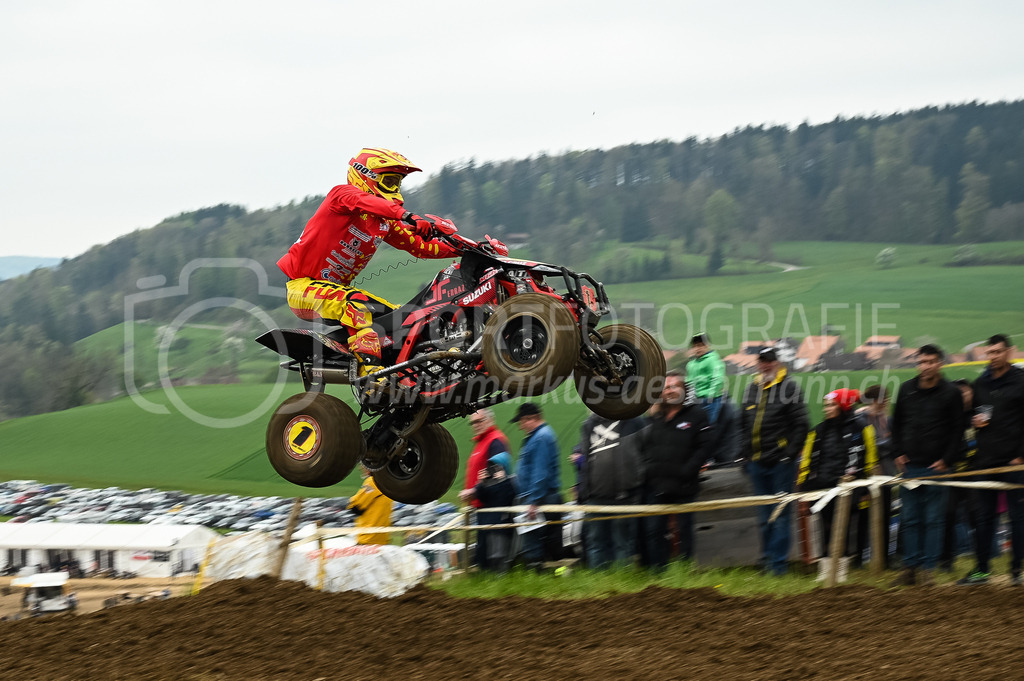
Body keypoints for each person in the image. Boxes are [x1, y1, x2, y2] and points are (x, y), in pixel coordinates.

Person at [276, 148, 460, 379]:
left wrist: (469, 249)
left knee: (404, 319)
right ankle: (372, 375)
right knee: (357, 304)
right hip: (302, 287)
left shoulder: (384, 222)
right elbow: (364, 201)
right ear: (366, 175)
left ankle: (414, 373)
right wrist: (407, 215)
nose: (395, 189)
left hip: (337, 291)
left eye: (397, 183)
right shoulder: (341, 195)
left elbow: (421, 247)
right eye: (390, 181)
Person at [890, 344, 964, 586]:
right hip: (910, 467)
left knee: (933, 520)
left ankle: (928, 571)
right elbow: (897, 423)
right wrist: (898, 452)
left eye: (931, 361)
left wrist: (947, 460)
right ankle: (910, 568)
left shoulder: (951, 393)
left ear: (940, 363)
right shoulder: (906, 390)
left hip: (937, 468)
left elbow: (957, 430)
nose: (925, 366)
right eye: (922, 362)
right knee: (910, 518)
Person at [959, 334, 1024, 586]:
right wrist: (973, 420)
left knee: (1018, 517)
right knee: (983, 517)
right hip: (985, 461)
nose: (993, 356)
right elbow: (970, 416)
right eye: (990, 352)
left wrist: (1021, 455)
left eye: (998, 351)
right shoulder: (980, 384)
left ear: (1009, 352)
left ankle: (1017, 570)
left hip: (1014, 461)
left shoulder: (1021, 382)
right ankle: (981, 569)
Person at [740, 347, 809, 575]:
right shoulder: (752, 388)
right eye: (761, 361)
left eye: (769, 361)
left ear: (777, 363)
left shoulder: (789, 387)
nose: (765, 365)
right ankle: (767, 560)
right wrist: (745, 453)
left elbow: (802, 423)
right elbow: (742, 423)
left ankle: (778, 566)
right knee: (763, 517)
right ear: (757, 363)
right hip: (757, 463)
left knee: (780, 516)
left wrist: (789, 453)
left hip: (781, 464)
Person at [797, 389, 877, 577]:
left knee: (845, 529)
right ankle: (825, 570)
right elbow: (807, 460)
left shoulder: (862, 429)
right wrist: (803, 487)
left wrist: (866, 486)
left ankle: (840, 571)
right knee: (824, 528)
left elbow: (870, 460)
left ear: (843, 406)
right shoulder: (817, 431)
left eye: (832, 405)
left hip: (848, 488)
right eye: (826, 405)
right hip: (822, 487)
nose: (827, 409)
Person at [639, 371, 711, 568]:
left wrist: (688, 471)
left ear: (683, 389)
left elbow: (704, 447)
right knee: (654, 531)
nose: (669, 391)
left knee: (685, 530)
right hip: (656, 486)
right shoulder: (654, 417)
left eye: (673, 386)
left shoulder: (697, 414)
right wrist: (648, 471)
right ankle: (658, 576)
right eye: (665, 387)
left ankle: (685, 573)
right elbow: (644, 447)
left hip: (684, 486)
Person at [575, 413, 647, 569]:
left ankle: (622, 587)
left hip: (626, 496)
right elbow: (585, 459)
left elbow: (647, 453)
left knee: (623, 543)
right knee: (596, 543)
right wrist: (584, 492)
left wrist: (638, 482)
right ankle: (598, 586)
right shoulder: (589, 424)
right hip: (595, 497)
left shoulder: (635, 421)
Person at [511, 402, 564, 567]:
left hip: (541, 498)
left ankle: (536, 575)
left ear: (531, 419)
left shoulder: (540, 437)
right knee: (548, 540)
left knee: (533, 542)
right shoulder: (541, 436)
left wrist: (533, 500)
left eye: (521, 421)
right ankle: (554, 574)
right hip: (544, 496)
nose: (520, 426)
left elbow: (540, 472)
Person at [459, 409, 512, 570]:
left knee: (491, 552)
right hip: (481, 504)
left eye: (479, 421)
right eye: (473, 422)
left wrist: (473, 490)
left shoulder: (495, 441)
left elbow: (496, 472)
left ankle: (494, 580)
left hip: (491, 505)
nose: (475, 425)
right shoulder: (481, 442)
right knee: (483, 549)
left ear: (490, 420)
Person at [939, 379, 977, 572]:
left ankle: (982, 558)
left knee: (977, 515)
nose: (963, 396)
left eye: (966, 392)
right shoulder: (947, 419)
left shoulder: (978, 416)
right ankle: (946, 560)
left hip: (976, 472)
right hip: (952, 473)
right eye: (958, 393)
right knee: (948, 516)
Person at [859, 384, 896, 568]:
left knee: (885, 517)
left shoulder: (886, 420)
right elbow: (867, 445)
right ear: (875, 401)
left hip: (886, 474)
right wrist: (885, 444)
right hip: (867, 474)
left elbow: (891, 443)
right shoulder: (861, 419)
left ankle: (884, 558)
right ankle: (860, 558)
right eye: (884, 400)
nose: (886, 403)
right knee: (864, 518)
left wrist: (884, 444)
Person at [472, 452, 518, 573]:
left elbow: (507, 498)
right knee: (489, 551)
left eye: (498, 467)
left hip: (501, 522)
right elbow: (481, 497)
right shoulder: (488, 483)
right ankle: (491, 572)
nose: (494, 470)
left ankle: (501, 572)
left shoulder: (509, 482)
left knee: (500, 552)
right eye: (492, 467)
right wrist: (481, 483)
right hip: (488, 523)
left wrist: (503, 480)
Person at [347, 465, 393, 545]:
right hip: (382, 539)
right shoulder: (389, 484)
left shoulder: (372, 482)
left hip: (368, 539)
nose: (361, 468)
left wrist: (351, 501)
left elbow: (356, 507)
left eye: (364, 466)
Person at [687, 333, 727, 425]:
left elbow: (717, 378)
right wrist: (690, 399)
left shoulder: (712, 360)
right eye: (695, 346)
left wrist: (710, 396)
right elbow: (689, 382)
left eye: (701, 345)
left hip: (711, 400)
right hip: (696, 400)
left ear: (707, 346)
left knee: (708, 424)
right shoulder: (691, 364)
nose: (698, 348)